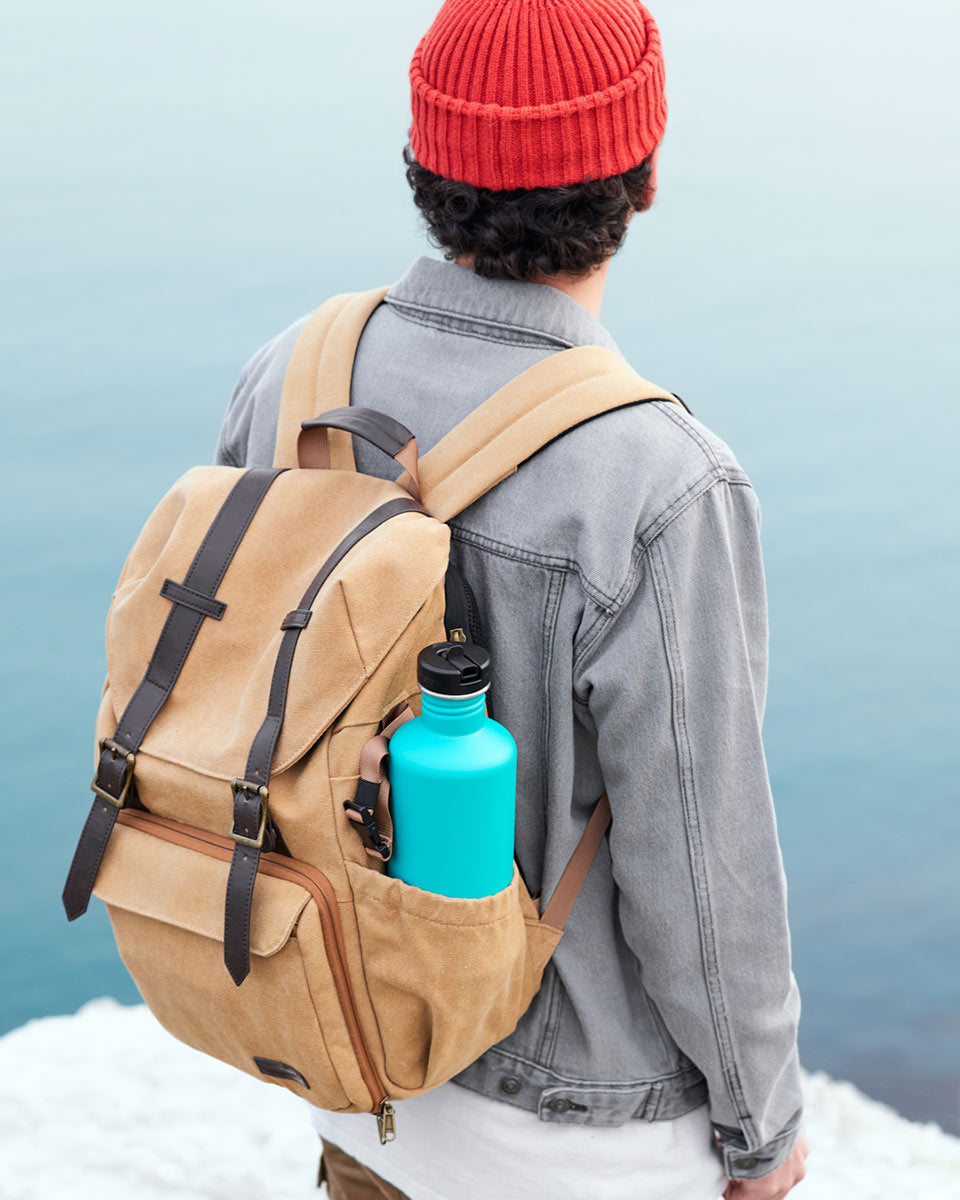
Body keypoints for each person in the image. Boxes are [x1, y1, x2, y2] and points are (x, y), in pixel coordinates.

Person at [214, 2, 809, 1197]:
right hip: (586, 1138)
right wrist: (765, 1128)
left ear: (427, 167)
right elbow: (702, 870)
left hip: (353, 1068)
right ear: (640, 177)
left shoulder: (296, 372)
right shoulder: (659, 479)